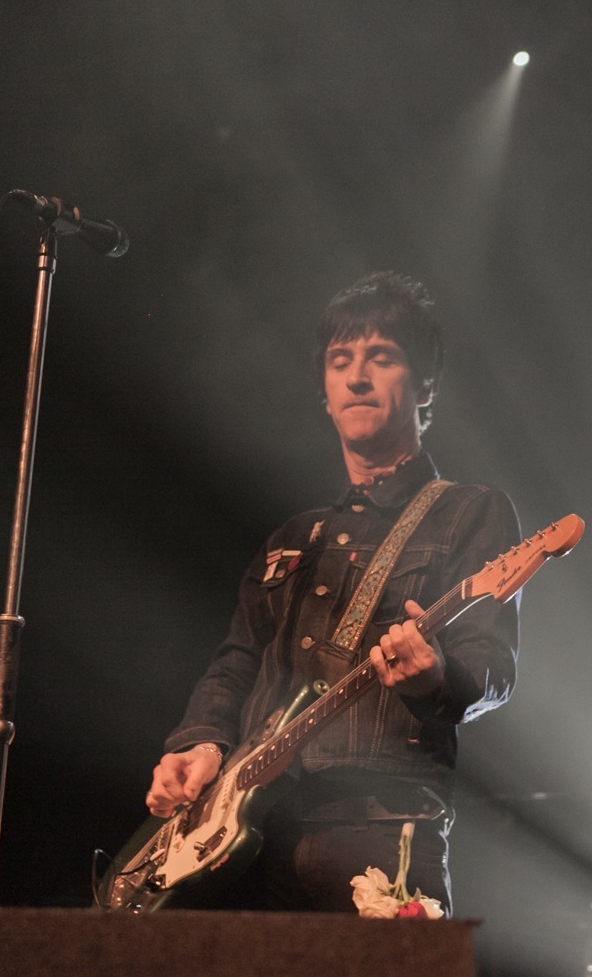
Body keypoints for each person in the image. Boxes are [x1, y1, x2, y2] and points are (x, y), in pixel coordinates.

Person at [143, 271, 521, 914]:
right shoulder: (294, 536)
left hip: (377, 829)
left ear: (424, 383)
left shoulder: (469, 512)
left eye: (382, 357)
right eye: (340, 361)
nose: (357, 377)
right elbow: (236, 661)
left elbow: (492, 668)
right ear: (323, 390)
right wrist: (197, 744)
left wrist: (435, 677)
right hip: (245, 841)